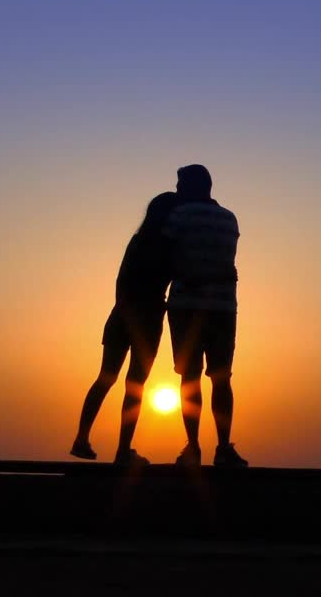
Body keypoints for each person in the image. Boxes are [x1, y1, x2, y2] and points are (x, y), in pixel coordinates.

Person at [71, 191, 179, 466]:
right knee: (135, 386)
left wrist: (124, 311)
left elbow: (121, 281)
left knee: (106, 377)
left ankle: (81, 438)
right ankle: (122, 451)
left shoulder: (138, 240)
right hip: (147, 318)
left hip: (121, 314)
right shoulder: (170, 245)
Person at [165, 164, 247, 468]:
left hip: (186, 305)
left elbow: (170, 258)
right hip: (224, 307)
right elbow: (225, 263)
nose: (176, 190)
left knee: (189, 378)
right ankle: (224, 447)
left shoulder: (178, 217)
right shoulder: (229, 219)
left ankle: (194, 448)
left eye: (179, 184)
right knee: (222, 379)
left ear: (190, 186)